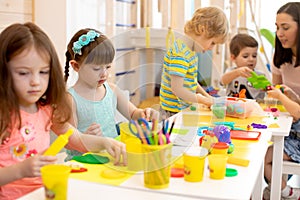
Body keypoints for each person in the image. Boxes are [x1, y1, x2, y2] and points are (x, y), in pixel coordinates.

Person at [0, 22, 126, 200]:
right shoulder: (3, 115)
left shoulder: (46, 110)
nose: (36, 81)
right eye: (23, 73)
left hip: (45, 193)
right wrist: (20, 170)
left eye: (43, 72)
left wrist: (104, 143)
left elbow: (77, 139)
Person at [64, 28, 159, 160]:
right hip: (83, 163)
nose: (104, 73)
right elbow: (68, 142)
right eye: (97, 68)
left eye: (107, 67)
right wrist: (84, 137)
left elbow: (133, 114)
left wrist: (145, 114)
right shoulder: (70, 99)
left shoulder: (112, 90)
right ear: (76, 66)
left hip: (112, 158)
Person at [159, 6, 229, 117]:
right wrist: (202, 100)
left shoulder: (190, 51)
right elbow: (177, 89)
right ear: (202, 30)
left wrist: (207, 96)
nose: (212, 48)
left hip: (183, 109)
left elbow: (191, 81)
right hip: (172, 113)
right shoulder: (180, 54)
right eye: (212, 43)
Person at [263, 2, 300, 200]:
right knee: (263, 153)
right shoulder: (281, 57)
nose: (279, 33)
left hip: (297, 127)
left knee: (267, 158)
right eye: (277, 27)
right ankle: (280, 190)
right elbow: (275, 92)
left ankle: (285, 192)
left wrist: (281, 97)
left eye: (285, 27)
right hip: (291, 126)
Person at [221, 33, 266, 100]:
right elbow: (223, 81)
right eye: (245, 56)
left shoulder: (260, 75)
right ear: (233, 58)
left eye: (254, 56)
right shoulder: (231, 72)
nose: (251, 59)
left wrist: (267, 88)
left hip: (254, 108)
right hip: (233, 107)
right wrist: (237, 73)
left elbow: (266, 91)